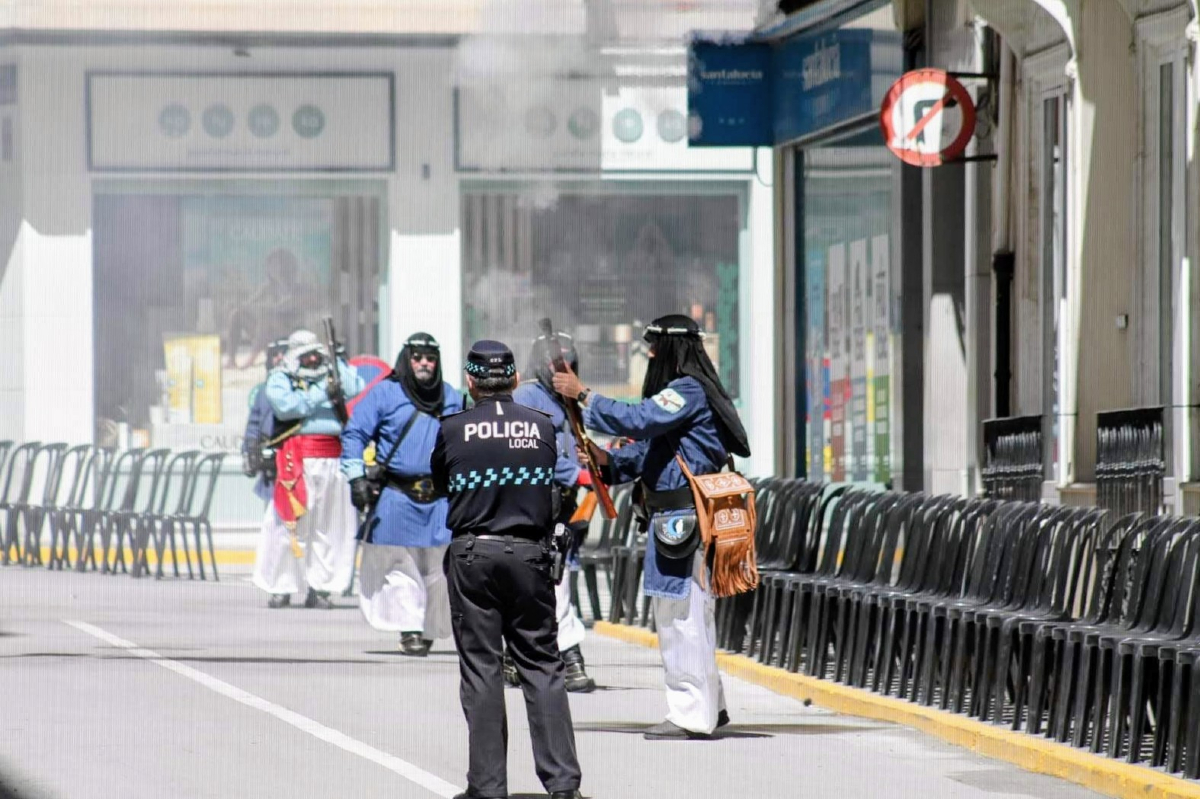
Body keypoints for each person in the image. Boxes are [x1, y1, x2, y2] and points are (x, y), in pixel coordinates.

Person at [552, 313, 751, 740]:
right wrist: (605, 461)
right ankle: (708, 708)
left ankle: (690, 715)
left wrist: (583, 394)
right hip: (671, 518)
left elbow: (640, 420)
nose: (652, 355)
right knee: (686, 616)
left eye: (656, 347)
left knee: (684, 620)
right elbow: (647, 453)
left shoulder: (687, 391)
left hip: (685, 520)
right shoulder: (676, 398)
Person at [431, 340, 583, 799]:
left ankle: (488, 786)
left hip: (474, 555)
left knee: (482, 668)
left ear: (471, 382)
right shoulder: (543, 426)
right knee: (543, 666)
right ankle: (563, 786)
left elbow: (443, 484)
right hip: (530, 555)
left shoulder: (453, 428)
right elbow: (560, 485)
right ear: (516, 380)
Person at [341, 333, 462, 656]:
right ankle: (409, 627)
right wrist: (355, 478)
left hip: (440, 497)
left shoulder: (451, 397)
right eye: (418, 357)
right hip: (396, 494)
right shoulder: (384, 393)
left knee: (439, 570)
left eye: (430, 357)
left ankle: (427, 628)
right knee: (400, 566)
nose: (424, 363)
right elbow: (354, 435)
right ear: (406, 360)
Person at [252, 329, 364, 609]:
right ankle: (281, 585)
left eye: (317, 353)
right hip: (297, 458)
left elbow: (355, 386)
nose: (312, 358)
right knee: (288, 523)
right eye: (306, 354)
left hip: (333, 457)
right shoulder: (281, 377)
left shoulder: (331, 373)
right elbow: (288, 406)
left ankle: (322, 587)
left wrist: (336, 361)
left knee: (329, 526)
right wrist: (322, 393)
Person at [511, 330, 596, 693]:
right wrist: (576, 472)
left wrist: (586, 454)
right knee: (552, 581)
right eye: (554, 361)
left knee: (554, 579)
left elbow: (571, 444)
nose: (562, 367)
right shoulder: (527, 398)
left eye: (567, 361)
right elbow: (535, 454)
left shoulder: (567, 398)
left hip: (564, 504)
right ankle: (568, 653)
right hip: (536, 501)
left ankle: (518, 655)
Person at [241, 338, 290, 502]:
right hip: (271, 467)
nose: (279, 358)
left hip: (294, 461)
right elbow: (254, 424)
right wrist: (249, 452)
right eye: (275, 355)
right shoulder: (263, 391)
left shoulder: (301, 388)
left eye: (284, 353)